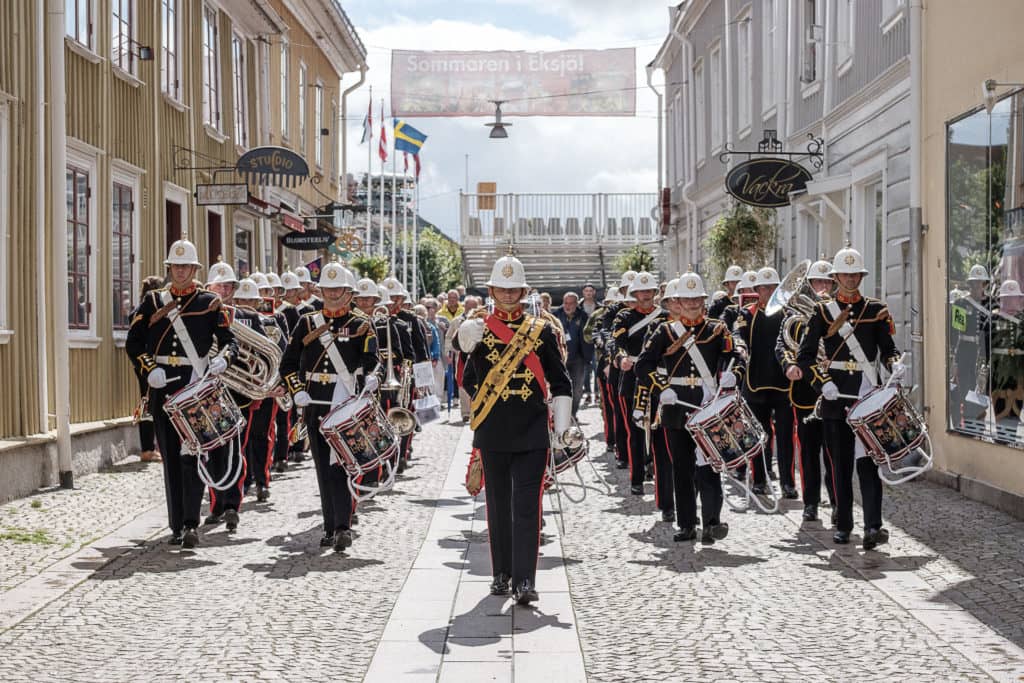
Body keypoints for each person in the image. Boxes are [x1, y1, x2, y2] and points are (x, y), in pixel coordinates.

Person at [455, 253, 572, 605]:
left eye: (514, 290)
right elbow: (468, 381)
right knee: (497, 505)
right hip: (493, 430)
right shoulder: (478, 327)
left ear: (524, 292)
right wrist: (465, 346)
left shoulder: (542, 331)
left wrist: (562, 429)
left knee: (527, 506)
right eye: (501, 290)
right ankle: (501, 574)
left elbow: (561, 382)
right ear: (491, 290)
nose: (508, 295)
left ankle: (525, 580)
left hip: (532, 430)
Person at [125, 240, 237, 548]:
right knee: (172, 458)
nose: (181, 271)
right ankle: (177, 524)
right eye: (176, 266)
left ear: (196, 269)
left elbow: (230, 341)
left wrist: (223, 359)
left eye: (186, 266)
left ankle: (190, 523)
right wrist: (149, 369)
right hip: (163, 387)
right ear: (169, 269)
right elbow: (133, 343)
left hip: (195, 386)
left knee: (193, 454)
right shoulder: (152, 302)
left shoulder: (210, 302)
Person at [797, 245, 904, 550]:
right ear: (835, 277)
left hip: (868, 395)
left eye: (855, 273)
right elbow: (805, 358)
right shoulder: (821, 312)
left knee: (870, 463)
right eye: (845, 274)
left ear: (861, 276)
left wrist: (894, 364)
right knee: (840, 464)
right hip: (835, 396)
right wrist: (822, 383)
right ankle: (843, 524)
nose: (851, 278)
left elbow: (888, 348)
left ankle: (873, 526)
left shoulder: (876, 310)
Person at [280, 261, 381, 552]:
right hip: (314, 402)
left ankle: (342, 526)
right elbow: (288, 363)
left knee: (344, 466)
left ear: (348, 292)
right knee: (324, 467)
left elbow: (372, 361)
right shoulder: (306, 322)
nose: (333, 293)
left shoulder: (361, 324)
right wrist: (296, 390)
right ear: (320, 290)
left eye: (338, 289)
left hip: (345, 403)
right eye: (328, 288)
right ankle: (330, 525)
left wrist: (372, 378)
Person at [635, 272, 743, 542]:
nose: (692, 303)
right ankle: (686, 524)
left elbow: (736, 356)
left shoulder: (717, 329)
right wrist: (662, 388)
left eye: (697, 298)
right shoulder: (665, 331)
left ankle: (711, 522)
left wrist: (734, 375)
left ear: (703, 301)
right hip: (676, 407)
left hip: (707, 406)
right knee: (681, 468)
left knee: (710, 466)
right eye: (687, 299)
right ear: (678, 302)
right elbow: (643, 365)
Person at [776, 259, 837, 522]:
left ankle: (838, 503)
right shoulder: (793, 316)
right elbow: (782, 345)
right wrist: (790, 366)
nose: (822, 287)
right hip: (805, 392)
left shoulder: (841, 312)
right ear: (809, 285)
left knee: (835, 452)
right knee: (809, 451)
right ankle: (810, 502)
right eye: (817, 282)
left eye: (827, 282)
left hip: (835, 389)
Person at [732, 266, 797, 498]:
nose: (768, 291)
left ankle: (789, 482)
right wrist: (739, 345)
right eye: (763, 288)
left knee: (786, 436)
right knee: (759, 435)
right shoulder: (747, 313)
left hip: (784, 383)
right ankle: (759, 478)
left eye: (772, 287)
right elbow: (737, 333)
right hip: (755, 382)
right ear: (756, 290)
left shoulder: (789, 314)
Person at [612, 271, 668, 496]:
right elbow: (617, 342)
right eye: (641, 291)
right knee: (634, 431)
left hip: (659, 378)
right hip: (633, 377)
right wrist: (621, 358)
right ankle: (636, 477)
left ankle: (657, 470)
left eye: (649, 291)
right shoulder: (624, 317)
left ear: (655, 293)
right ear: (634, 293)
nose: (645, 295)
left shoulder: (665, 317)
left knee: (659, 429)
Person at [951, 265, 993, 427]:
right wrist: (954, 359)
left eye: (980, 283)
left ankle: (980, 426)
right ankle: (968, 424)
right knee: (966, 390)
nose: (977, 286)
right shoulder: (961, 303)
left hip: (983, 352)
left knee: (981, 391)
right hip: (965, 352)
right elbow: (955, 332)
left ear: (985, 284)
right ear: (970, 284)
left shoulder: (991, 303)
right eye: (974, 283)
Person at [603, 271, 637, 469]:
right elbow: (608, 336)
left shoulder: (653, 311)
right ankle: (623, 453)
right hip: (618, 365)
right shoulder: (614, 310)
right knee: (621, 411)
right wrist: (614, 359)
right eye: (629, 288)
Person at [135, 275, 166, 463]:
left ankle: (150, 446)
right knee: (147, 404)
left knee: (148, 402)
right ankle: (147, 447)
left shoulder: (139, 309)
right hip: (148, 362)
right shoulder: (145, 310)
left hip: (145, 363)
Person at [553, 291, 590, 417]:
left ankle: (572, 413)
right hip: (559, 358)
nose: (568, 306)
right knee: (560, 386)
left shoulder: (583, 316)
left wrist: (587, 358)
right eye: (565, 303)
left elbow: (587, 338)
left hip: (577, 358)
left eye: (571, 303)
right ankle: (559, 414)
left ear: (576, 304)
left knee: (577, 388)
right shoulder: (555, 315)